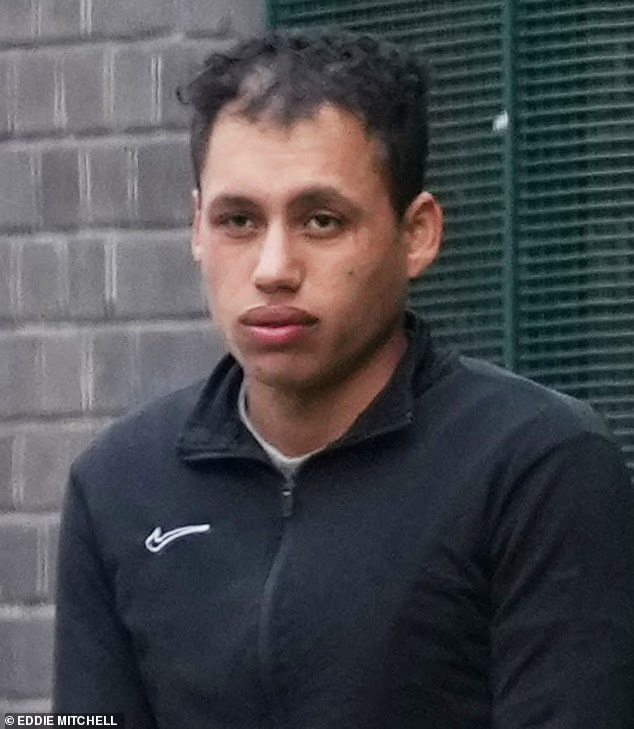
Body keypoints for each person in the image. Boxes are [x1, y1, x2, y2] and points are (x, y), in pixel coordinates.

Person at [53, 30, 634, 727]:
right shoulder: (118, 484)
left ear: (417, 234)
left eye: (322, 221)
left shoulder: (536, 465)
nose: (274, 268)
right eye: (238, 220)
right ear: (197, 230)